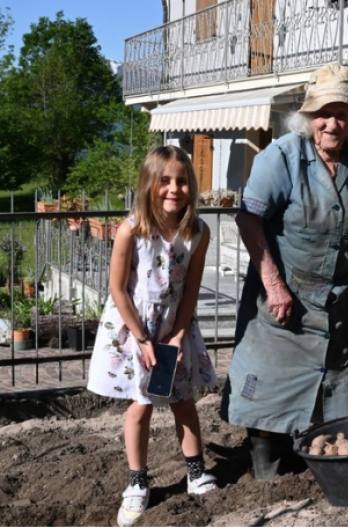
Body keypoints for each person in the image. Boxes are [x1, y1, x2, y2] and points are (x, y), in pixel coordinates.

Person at [219, 62, 348, 480]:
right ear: (308, 116)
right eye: (323, 113)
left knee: (337, 389)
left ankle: (327, 469)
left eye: (341, 113)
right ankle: (268, 473)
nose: (332, 123)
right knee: (269, 389)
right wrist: (274, 286)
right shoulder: (281, 157)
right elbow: (249, 220)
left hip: (341, 306)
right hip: (285, 303)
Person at [87, 145, 218, 526]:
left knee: (182, 399)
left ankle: (195, 474)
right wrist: (143, 339)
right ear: (149, 184)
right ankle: (137, 484)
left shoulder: (198, 233)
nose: (174, 188)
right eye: (165, 181)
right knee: (140, 404)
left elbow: (191, 289)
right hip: (135, 328)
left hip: (174, 326)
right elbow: (117, 289)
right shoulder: (131, 231)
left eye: (181, 181)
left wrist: (177, 335)